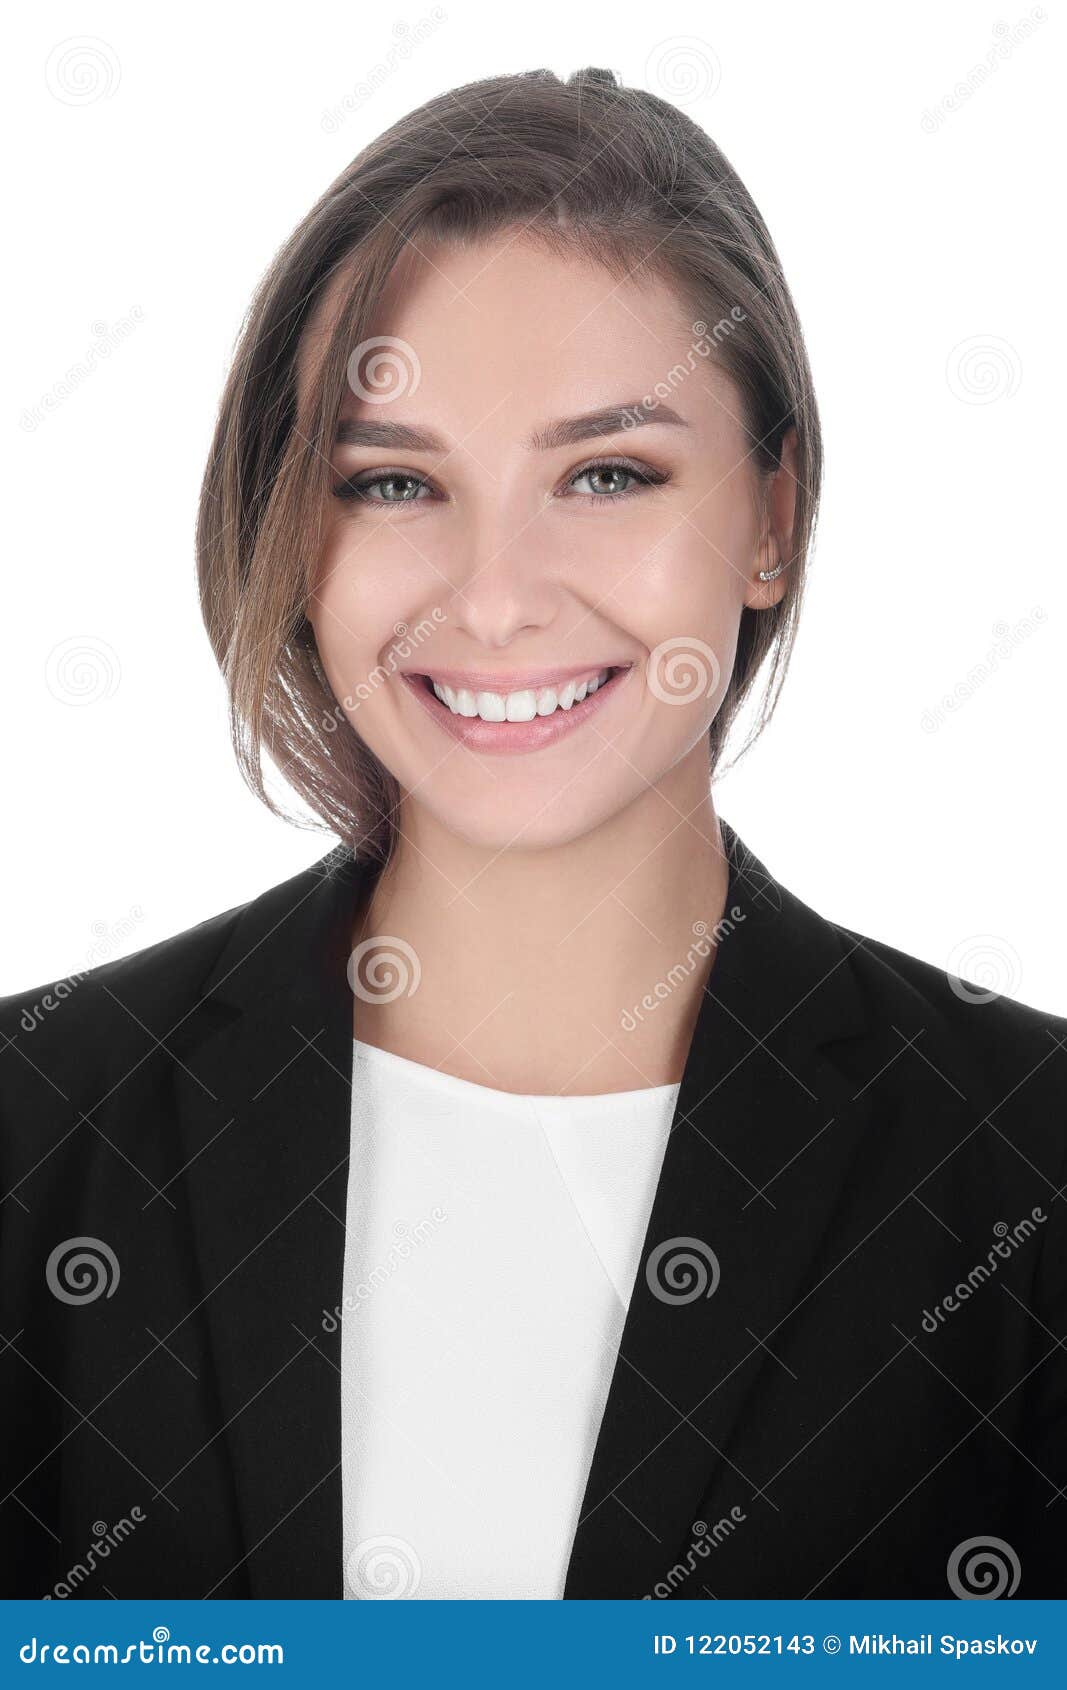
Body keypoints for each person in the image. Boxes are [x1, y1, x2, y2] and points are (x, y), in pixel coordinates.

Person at [2, 67, 1064, 1603]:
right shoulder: (41, 1132)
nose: (495, 597)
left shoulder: (1028, 1165)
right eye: (393, 481)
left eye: (608, 473)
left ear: (771, 517)